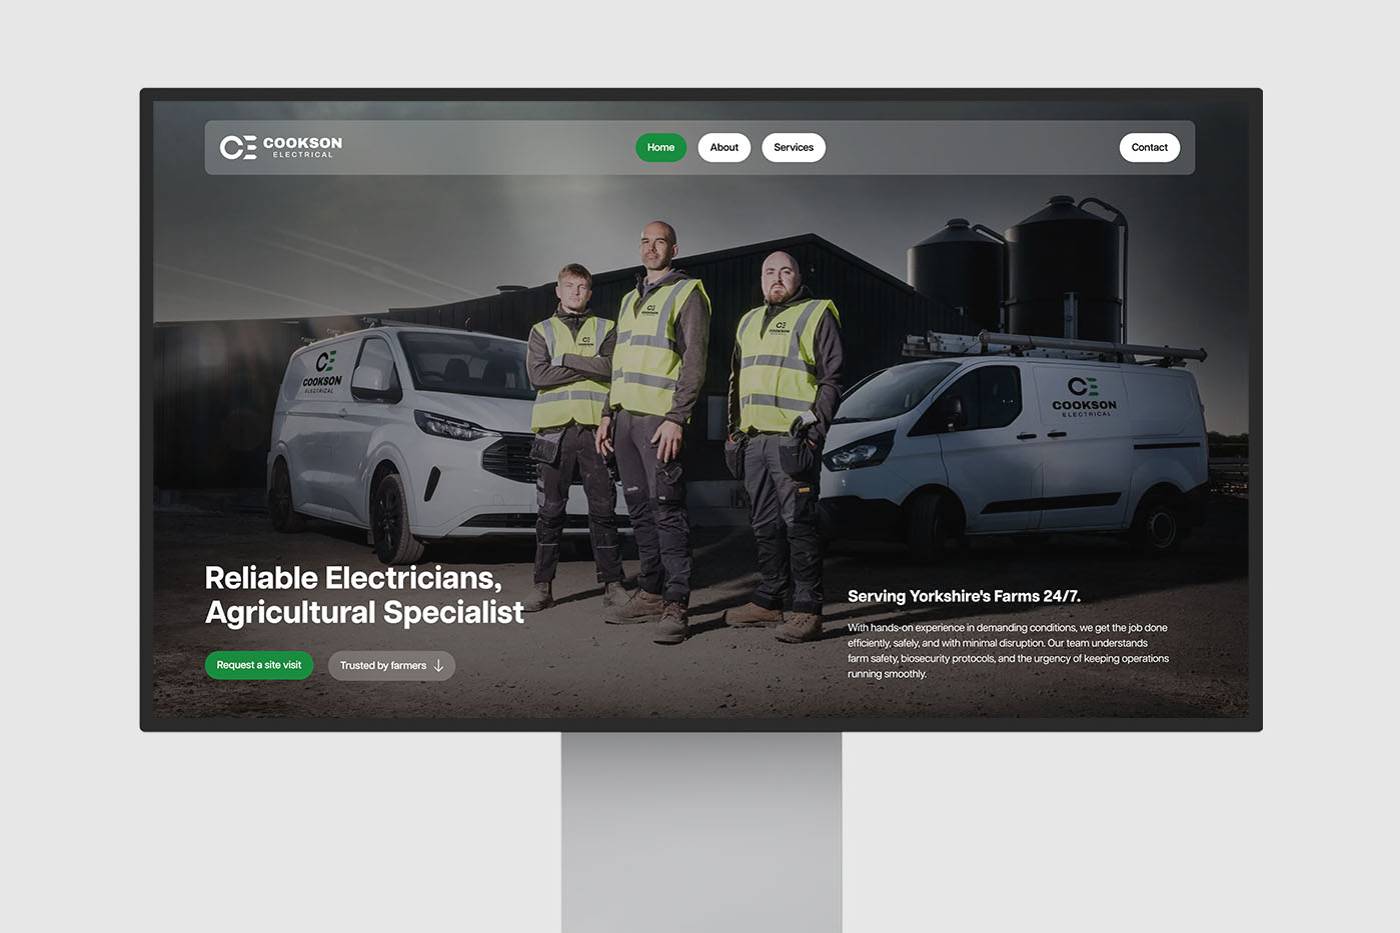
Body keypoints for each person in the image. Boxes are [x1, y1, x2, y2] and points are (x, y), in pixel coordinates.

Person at [595, 221, 710, 644]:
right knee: (640, 510)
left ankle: (676, 603)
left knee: (667, 509)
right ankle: (649, 591)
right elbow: (619, 365)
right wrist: (608, 414)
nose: (650, 247)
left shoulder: (688, 293)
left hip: (660, 422)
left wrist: (677, 417)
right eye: (644, 241)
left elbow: (695, 363)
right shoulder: (629, 299)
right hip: (625, 421)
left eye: (659, 241)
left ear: (674, 248)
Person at [723, 250, 844, 643]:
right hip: (755, 439)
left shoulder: (816, 313)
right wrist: (733, 433)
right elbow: (735, 382)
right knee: (763, 524)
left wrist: (814, 433)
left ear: (797, 276)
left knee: (799, 524)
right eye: (769, 272)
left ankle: (807, 609)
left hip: (793, 441)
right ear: (761, 280)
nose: (777, 277)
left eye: (785, 271)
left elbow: (832, 379)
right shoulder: (747, 321)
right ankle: (769, 599)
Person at [522, 263, 626, 612]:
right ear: (558, 290)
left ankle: (613, 584)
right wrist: (587, 363)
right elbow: (538, 375)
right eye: (569, 286)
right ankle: (542, 587)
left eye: (582, 287)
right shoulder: (541, 330)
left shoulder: (607, 327)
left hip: (596, 431)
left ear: (590, 292)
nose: (576, 293)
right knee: (550, 512)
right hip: (553, 431)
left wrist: (564, 359)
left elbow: (613, 368)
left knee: (603, 510)